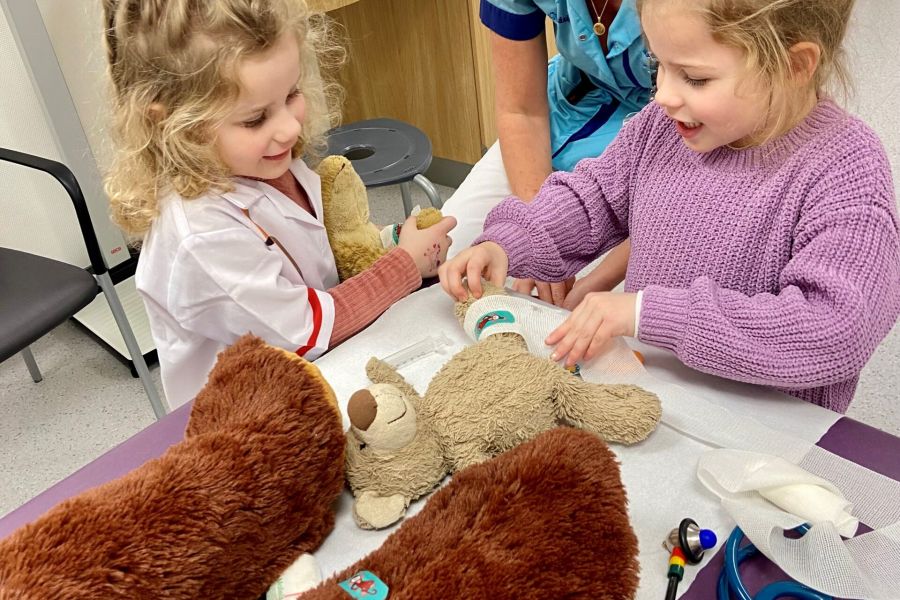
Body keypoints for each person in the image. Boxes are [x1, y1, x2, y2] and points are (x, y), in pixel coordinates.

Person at [439, 0, 900, 413]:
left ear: (794, 66)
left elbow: (836, 329)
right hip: (647, 395)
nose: (663, 95)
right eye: (658, 66)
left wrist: (646, 313)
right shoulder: (663, 126)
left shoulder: (846, 168)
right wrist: (508, 244)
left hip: (765, 431)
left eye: (695, 78)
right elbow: (592, 198)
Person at [102, 0, 456, 408]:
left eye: (292, 94)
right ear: (173, 125)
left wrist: (389, 239)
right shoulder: (200, 234)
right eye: (255, 119)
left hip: (319, 369)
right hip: (254, 420)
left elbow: (314, 252)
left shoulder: (263, 162)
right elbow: (307, 329)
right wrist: (405, 265)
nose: (289, 127)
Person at [442, 0, 652, 307]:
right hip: (568, 110)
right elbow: (521, 111)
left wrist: (596, 278)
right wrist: (538, 236)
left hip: (681, 136)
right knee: (455, 254)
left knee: (615, 308)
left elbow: (683, 191)